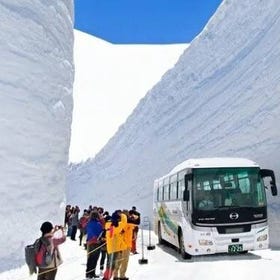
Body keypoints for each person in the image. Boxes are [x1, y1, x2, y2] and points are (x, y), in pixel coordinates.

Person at [85, 211, 104, 279]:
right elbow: (101, 232)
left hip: (90, 242)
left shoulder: (89, 223)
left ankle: (88, 273)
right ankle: (92, 273)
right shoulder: (98, 224)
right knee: (95, 258)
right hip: (96, 243)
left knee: (90, 258)